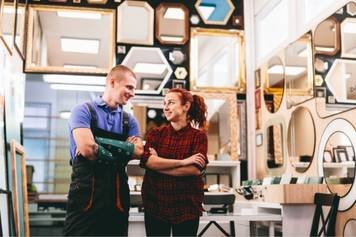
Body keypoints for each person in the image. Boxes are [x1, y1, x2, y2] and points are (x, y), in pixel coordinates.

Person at [63, 65, 144, 236]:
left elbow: (138, 151)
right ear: (112, 82)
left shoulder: (129, 121)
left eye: (134, 89)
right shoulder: (83, 110)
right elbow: (87, 149)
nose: (133, 93)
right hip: (86, 191)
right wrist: (123, 148)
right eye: (129, 87)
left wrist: (97, 142)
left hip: (117, 193)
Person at [140, 88, 208, 236]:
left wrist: (158, 164)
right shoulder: (155, 134)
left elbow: (194, 170)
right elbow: (147, 162)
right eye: (164, 103)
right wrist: (183, 162)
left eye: (171, 102)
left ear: (186, 106)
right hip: (155, 203)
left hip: (186, 206)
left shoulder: (198, 136)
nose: (165, 107)